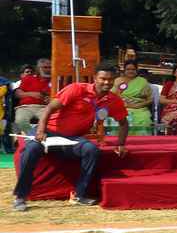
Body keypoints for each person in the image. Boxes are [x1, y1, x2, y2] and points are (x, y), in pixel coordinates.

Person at [12, 66, 129, 211]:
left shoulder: (113, 100)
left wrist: (121, 144)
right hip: (48, 131)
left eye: (110, 80)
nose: (107, 82)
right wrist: (41, 130)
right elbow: (49, 108)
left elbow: (123, 123)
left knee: (91, 150)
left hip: (72, 139)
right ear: (95, 78)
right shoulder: (77, 89)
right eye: (103, 79)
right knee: (31, 149)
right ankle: (20, 197)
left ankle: (79, 195)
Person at [112, 60, 153, 134]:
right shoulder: (118, 80)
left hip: (139, 109)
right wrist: (121, 103)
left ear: (136, 70)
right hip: (121, 108)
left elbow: (150, 100)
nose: (130, 71)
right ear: (124, 70)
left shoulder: (143, 81)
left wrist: (137, 105)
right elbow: (111, 96)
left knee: (144, 118)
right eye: (128, 69)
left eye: (133, 69)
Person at [13, 58, 52, 135]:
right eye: (45, 67)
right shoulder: (28, 78)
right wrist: (31, 94)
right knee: (20, 120)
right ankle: (32, 136)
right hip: (25, 107)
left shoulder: (55, 81)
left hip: (44, 107)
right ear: (38, 68)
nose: (48, 69)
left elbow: (60, 97)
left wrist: (51, 100)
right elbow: (17, 94)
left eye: (50, 67)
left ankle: (35, 136)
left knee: (50, 121)